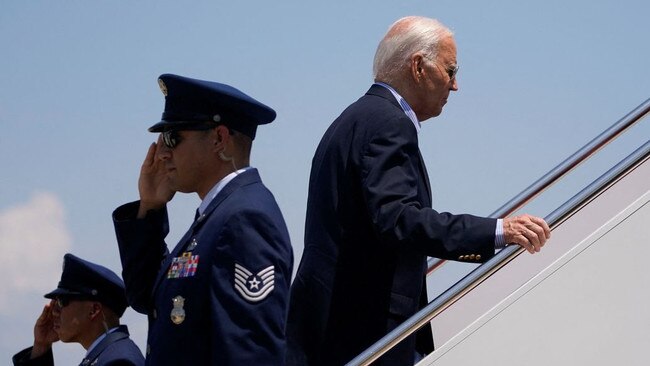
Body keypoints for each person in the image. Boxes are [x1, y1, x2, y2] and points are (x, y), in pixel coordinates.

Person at [286, 16, 551, 365]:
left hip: (336, 329)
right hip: (363, 334)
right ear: (418, 67)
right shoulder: (388, 123)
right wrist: (500, 230)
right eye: (450, 70)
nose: (455, 86)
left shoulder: (356, 118)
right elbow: (400, 219)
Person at [112, 73, 293, 365]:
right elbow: (148, 298)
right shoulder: (217, 216)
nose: (163, 154)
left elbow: (248, 353)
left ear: (219, 139)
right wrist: (150, 208)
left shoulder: (244, 219)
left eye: (172, 137)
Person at [12, 253, 144, 366]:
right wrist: (41, 346)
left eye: (62, 301)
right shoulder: (107, 355)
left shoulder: (118, 361)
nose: (54, 311)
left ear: (94, 310)